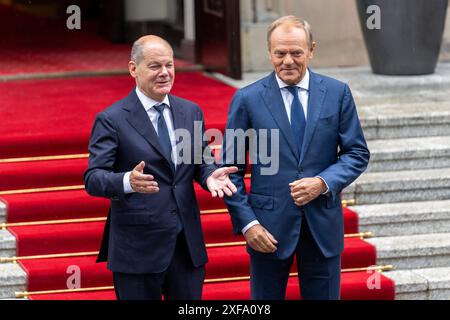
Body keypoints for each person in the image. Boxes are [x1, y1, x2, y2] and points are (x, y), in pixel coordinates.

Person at [222, 16, 370, 300]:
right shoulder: (247, 99)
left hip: (322, 228)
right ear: (269, 52)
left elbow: (357, 152)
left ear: (311, 50)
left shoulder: (337, 94)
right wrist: (248, 224)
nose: (287, 61)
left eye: (296, 53)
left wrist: (323, 182)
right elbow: (230, 170)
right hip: (266, 229)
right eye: (280, 53)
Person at [84, 35, 237, 300]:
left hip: (186, 247)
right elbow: (93, 178)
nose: (165, 73)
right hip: (137, 250)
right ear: (134, 69)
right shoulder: (112, 119)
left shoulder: (190, 112)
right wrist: (126, 182)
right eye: (155, 66)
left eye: (170, 65)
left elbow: (200, 160)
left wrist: (210, 174)